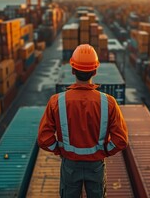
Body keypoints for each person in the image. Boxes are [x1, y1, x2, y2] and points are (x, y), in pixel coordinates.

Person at [38, 44, 128, 198]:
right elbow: (121, 140)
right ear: (95, 70)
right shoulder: (109, 103)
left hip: (70, 165)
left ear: (73, 70)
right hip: (96, 166)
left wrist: (59, 150)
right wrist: (105, 151)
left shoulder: (56, 102)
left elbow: (43, 139)